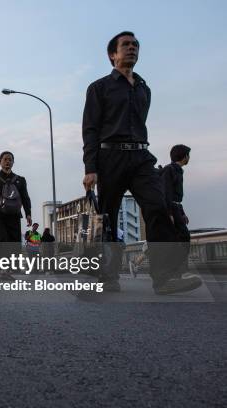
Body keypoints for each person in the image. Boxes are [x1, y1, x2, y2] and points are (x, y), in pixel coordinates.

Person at [82, 31, 201, 294]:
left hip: (141, 157)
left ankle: (164, 278)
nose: (132, 48)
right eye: (126, 45)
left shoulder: (144, 87)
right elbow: (90, 129)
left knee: (158, 206)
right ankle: (107, 277)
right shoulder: (99, 88)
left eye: (136, 45)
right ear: (113, 54)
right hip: (109, 157)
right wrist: (90, 167)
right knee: (107, 218)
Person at [0, 151, 32, 243]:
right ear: (0, 161)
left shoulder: (20, 179)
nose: (7, 162)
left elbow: (25, 197)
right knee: (2, 241)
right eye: (5, 159)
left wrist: (28, 214)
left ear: (13, 162)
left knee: (15, 242)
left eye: (10, 160)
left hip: (14, 215)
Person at [161, 144, 191, 276]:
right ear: (184, 156)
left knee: (179, 238)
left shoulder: (178, 170)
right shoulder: (169, 170)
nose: (189, 157)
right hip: (171, 208)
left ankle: (177, 270)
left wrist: (182, 213)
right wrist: (169, 213)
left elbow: (176, 196)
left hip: (177, 207)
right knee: (182, 237)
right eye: (188, 155)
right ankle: (175, 270)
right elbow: (166, 193)